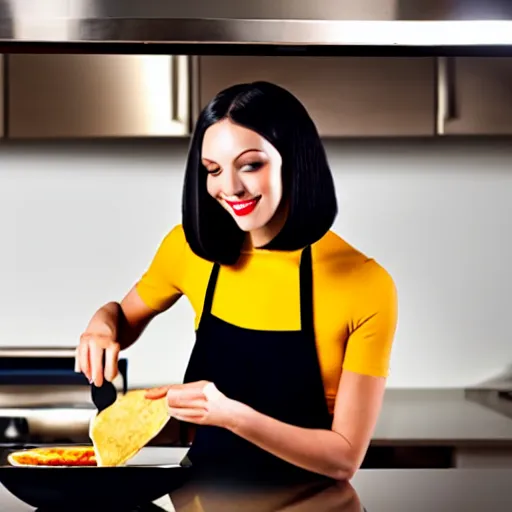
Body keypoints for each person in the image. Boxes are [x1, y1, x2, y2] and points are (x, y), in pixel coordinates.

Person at [75, 81, 398, 483]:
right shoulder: (190, 250)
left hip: (313, 503)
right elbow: (121, 319)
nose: (229, 188)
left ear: (293, 160)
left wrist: (230, 416)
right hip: (202, 496)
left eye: (250, 165)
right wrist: (101, 325)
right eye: (213, 170)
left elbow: (344, 458)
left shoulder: (364, 283)